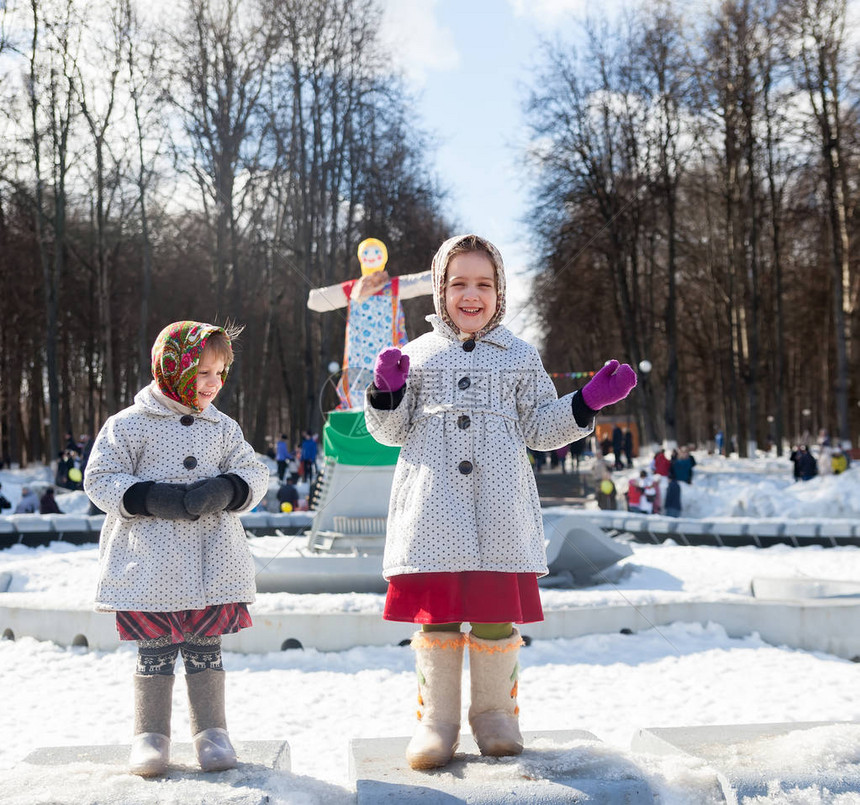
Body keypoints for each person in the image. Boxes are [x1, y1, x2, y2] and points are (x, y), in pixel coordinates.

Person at [364, 234, 636, 770]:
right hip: (433, 511)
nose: (472, 294)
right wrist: (387, 392)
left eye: (483, 284)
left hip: (499, 512)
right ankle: (435, 723)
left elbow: (538, 426)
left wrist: (585, 402)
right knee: (437, 617)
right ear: (439, 292)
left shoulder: (519, 355)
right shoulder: (416, 356)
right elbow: (389, 433)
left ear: (501, 291)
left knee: (493, 616)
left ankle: (495, 716)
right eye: (458, 283)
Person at [84, 321, 268, 778]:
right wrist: (147, 497)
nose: (213, 384)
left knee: (206, 644)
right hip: (151, 563)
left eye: (221, 374)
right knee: (157, 646)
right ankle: (150, 734)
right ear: (173, 367)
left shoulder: (222, 427)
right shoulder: (128, 425)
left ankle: (212, 731)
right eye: (203, 372)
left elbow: (255, 472)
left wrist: (228, 488)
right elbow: (100, 479)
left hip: (211, 559)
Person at [307, 237, 433, 408]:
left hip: (388, 345)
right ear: (360, 257)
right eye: (366, 252)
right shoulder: (353, 289)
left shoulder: (392, 286)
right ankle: (357, 406)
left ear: (384, 257)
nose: (371, 256)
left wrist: (445, 277)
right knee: (358, 380)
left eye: (376, 252)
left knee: (390, 376)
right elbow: (319, 300)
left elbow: (417, 283)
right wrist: (312, 297)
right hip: (359, 351)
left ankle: (394, 403)